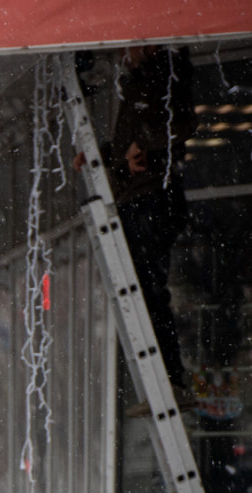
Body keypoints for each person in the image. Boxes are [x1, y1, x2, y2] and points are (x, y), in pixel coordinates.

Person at [109, 45, 195, 393]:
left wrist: (135, 148)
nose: (121, 56)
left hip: (151, 199)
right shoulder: (146, 83)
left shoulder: (162, 77)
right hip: (145, 198)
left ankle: (169, 378)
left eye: (126, 48)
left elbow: (181, 125)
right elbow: (131, 146)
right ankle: (166, 378)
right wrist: (108, 157)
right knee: (146, 293)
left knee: (148, 293)